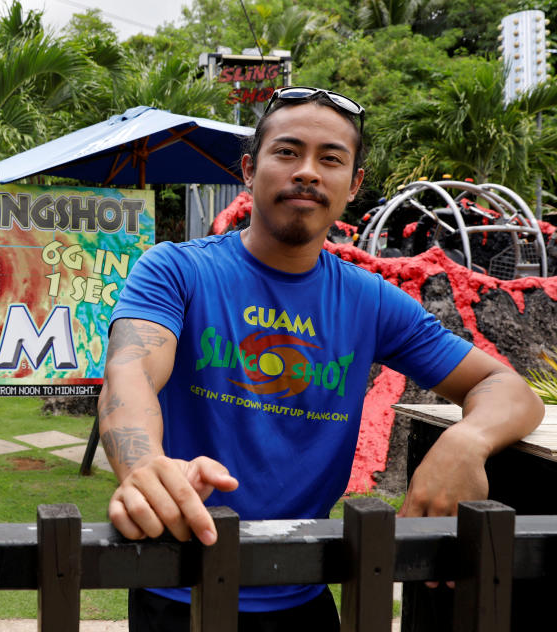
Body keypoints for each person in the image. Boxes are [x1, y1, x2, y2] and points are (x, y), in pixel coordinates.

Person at [97, 86, 544, 632]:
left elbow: (508, 388)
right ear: (248, 169)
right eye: (286, 152)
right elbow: (132, 369)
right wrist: (143, 467)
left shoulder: (372, 301)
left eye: (330, 159)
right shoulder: (176, 270)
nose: (307, 172)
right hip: (177, 585)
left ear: (353, 185)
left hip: (304, 593)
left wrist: (466, 442)